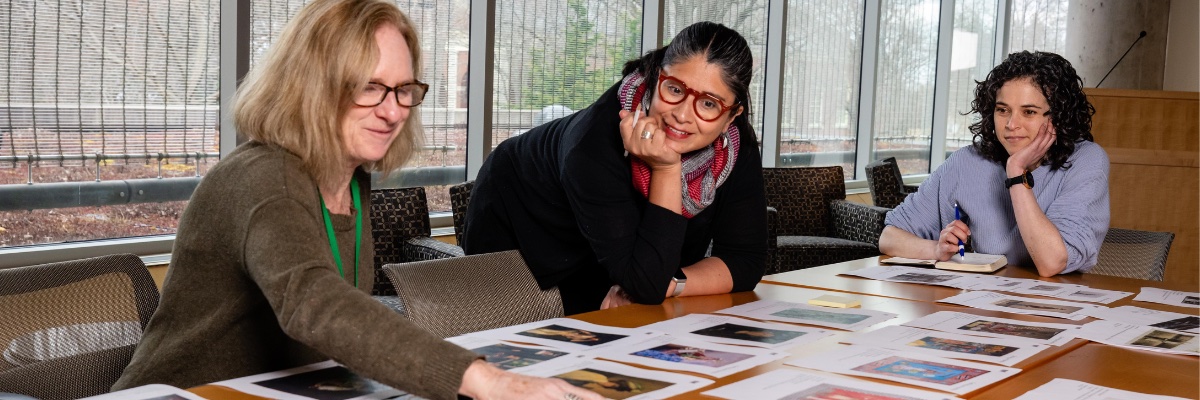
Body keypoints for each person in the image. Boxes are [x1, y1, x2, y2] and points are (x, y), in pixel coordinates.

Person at [111, 1, 601, 399]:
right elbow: (315, 305)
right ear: (311, 87)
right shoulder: (266, 176)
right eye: (370, 87)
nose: (393, 112)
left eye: (403, 90)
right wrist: (487, 380)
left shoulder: (351, 179)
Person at [462, 21, 767, 315]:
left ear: (732, 116)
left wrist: (672, 283)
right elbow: (646, 283)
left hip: (612, 249)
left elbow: (745, 260)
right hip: (522, 216)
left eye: (709, 104)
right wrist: (666, 168)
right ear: (656, 78)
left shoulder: (733, 145)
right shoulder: (593, 143)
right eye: (675, 89)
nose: (683, 115)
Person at [879, 51, 1109, 277]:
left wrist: (1016, 171)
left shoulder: (1086, 160)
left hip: (1056, 297)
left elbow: (1052, 262)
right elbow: (889, 237)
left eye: (1029, 112)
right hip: (985, 294)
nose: (1011, 124)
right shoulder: (968, 162)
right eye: (1002, 110)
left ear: (1058, 117)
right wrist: (936, 250)